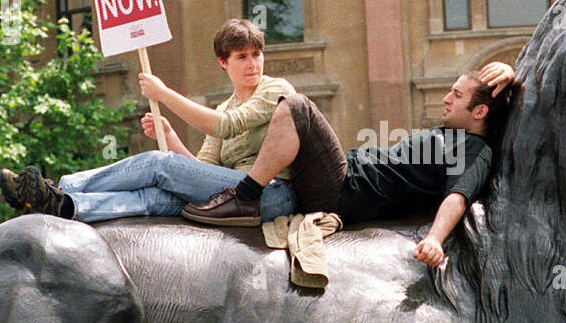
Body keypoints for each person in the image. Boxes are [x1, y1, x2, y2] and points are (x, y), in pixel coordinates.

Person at [182, 62, 514, 267]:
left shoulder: (475, 150)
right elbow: (511, 91)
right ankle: (207, 179)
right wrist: (508, 72)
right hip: (342, 175)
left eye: (456, 95)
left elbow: (457, 196)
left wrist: (435, 240)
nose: (446, 98)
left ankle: (245, 198)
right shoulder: (450, 133)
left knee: (298, 107)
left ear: (480, 112)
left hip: (342, 191)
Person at [0, 18, 299, 223]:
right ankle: (66, 206)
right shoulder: (225, 104)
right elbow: (202, 170)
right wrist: (170, 136)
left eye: (257, 55)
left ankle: (58, 188)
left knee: (157, 165)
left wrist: (165, 94)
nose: (253, 64)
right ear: (223, 62)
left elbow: (227, 124)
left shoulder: (276, 90)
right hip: (232, 197)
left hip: (269, 194)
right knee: (154, 197)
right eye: (242, 57)